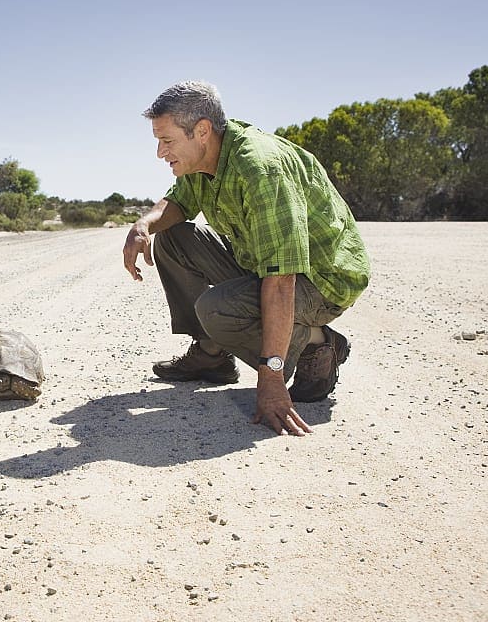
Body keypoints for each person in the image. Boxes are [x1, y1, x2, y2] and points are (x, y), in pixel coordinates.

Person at [122, 81, 370, 436]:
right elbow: (178, 202)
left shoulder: (260, 169)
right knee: (172, 238)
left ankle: (319, 342)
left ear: (202, 131)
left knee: (216, 308)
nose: (161, 152)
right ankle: (211, 355)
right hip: (262, 264)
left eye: (168, 141)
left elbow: (282, 279)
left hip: (320, 279)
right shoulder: (206, 159)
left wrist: (270, 378)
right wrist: (143, 224)